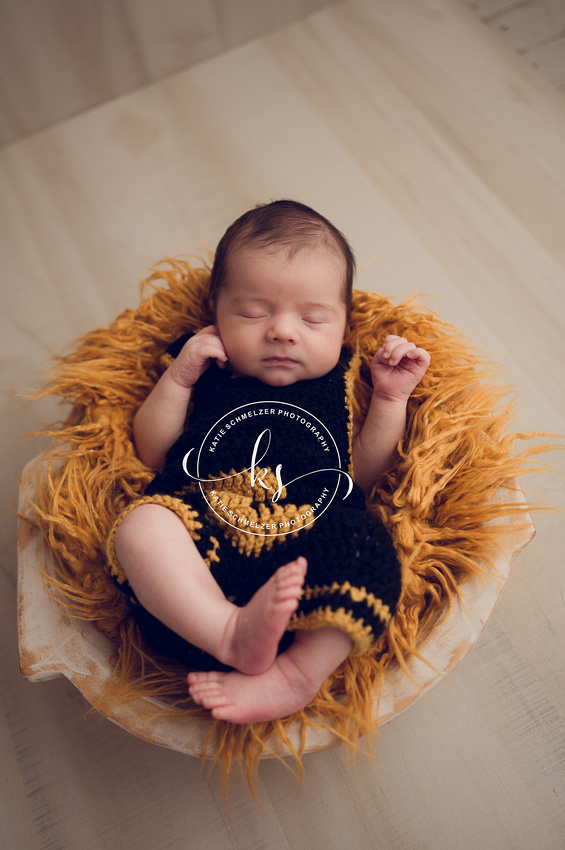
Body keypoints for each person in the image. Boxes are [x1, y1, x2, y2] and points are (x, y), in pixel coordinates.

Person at [106, 200, 430, 725]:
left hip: (308, 544)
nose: (282, 330)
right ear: (216, 311)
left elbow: (365, 478)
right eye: (253, 312)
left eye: (312, 317)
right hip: (201, 543)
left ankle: (298, 674)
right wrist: (179, 379)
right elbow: (149, 451)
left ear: (345, 324)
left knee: (369, 542)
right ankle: (228, 633)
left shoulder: (347, 379)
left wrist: (391, 400)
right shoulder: (203, 363)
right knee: (142, 525)